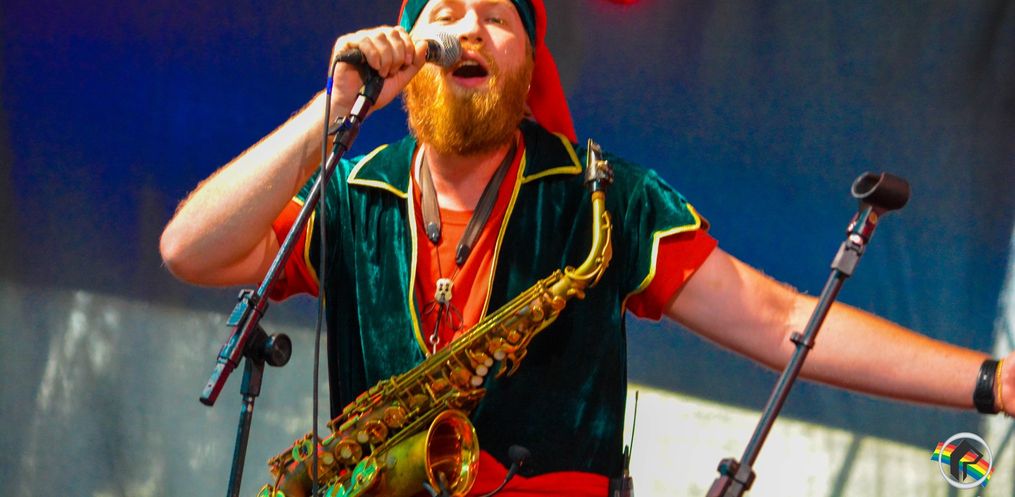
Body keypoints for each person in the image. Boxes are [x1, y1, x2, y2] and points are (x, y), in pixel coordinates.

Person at [159, 0, 1014, 495]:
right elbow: (190, 250)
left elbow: (775, 316)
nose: (467, 30)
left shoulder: (607, 196)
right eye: (444, 16)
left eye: (497, 18)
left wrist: (989, 380)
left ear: (530, 65)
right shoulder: (353, 192)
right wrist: (333, 108)